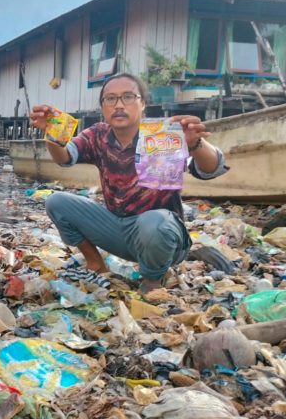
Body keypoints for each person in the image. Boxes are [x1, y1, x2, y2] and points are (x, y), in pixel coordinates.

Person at [29, 73, 228, 292]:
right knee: (57, 201)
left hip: (163, 236)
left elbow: (212, 169)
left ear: (143, 104)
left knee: (154, 222)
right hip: (120, 230)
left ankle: (153, 280)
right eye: (110, 99)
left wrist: (196, 144)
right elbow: (65, 158)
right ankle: (96, 262)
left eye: (128, 97)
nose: (119, 105)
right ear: (103, 106)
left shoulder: (162, 135)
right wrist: (52, 132)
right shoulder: (98, 135)